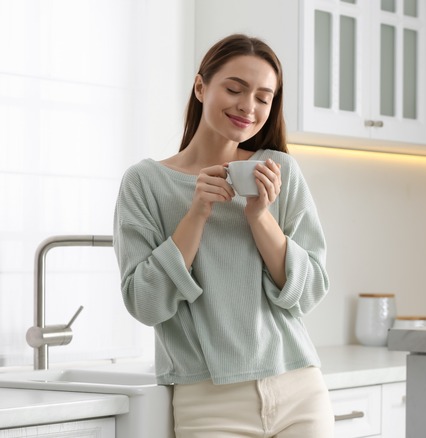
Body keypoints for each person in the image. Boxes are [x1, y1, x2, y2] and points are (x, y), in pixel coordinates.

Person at [113, 34, 333, 437]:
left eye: (263, 97)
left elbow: (311, 290)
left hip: (299, 387)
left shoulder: (281, 171)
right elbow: (145, 304)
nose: (248, 106)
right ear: (201, 87)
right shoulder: (145, 182)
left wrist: (259, 216)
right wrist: (196, 214)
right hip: (208, 399)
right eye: (235, 89)